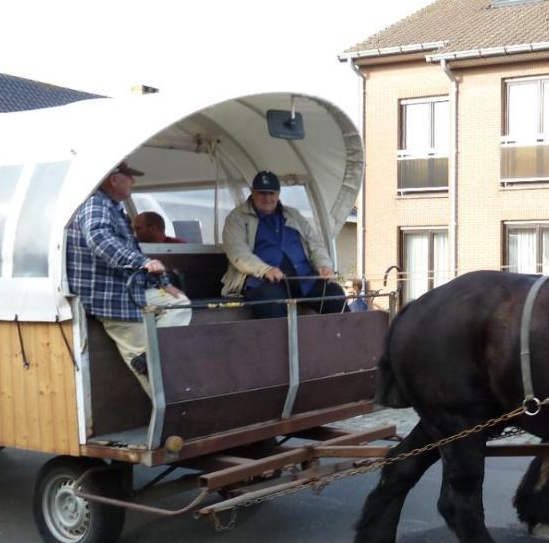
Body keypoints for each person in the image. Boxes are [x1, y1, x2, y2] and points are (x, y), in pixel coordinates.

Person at [65, 161, 191, 397]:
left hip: (129, 291)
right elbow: (99, 239)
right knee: (155, 372)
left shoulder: (112, 208)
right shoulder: (95, 204)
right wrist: (142, 262)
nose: (133, 181)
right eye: (129, 176)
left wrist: (164, 284)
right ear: (114, 179)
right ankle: (172, 418)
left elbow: (130, 258)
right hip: (112, 297)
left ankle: (148, 355)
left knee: (180, 302)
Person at [221, 171, 346, 318]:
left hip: (303, 278)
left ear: (278, 193)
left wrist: (324, 265)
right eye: (262, 192)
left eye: (271, 193)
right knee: (270, 300)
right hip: (263, 281)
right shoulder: (236, 219)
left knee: (334, 294)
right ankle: (282, 341)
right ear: (252, 191)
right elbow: (238, 253)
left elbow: (315, 245)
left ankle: (340, 339)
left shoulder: (294, 215)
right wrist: (265, 270)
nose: (267, 197)